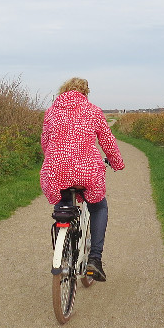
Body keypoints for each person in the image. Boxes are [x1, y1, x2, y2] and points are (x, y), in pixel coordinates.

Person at [40, 78, 125, 281]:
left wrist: (54, 160)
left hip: (55, 171)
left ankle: (64, 237)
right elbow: (107, 140)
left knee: (64, 204)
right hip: (85, 172)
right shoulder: (93, 111)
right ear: (85, 92)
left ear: (64, 91)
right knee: (98, 207)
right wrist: (117, 163)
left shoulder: (51, 112)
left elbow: (45, 142)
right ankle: (94, 259)